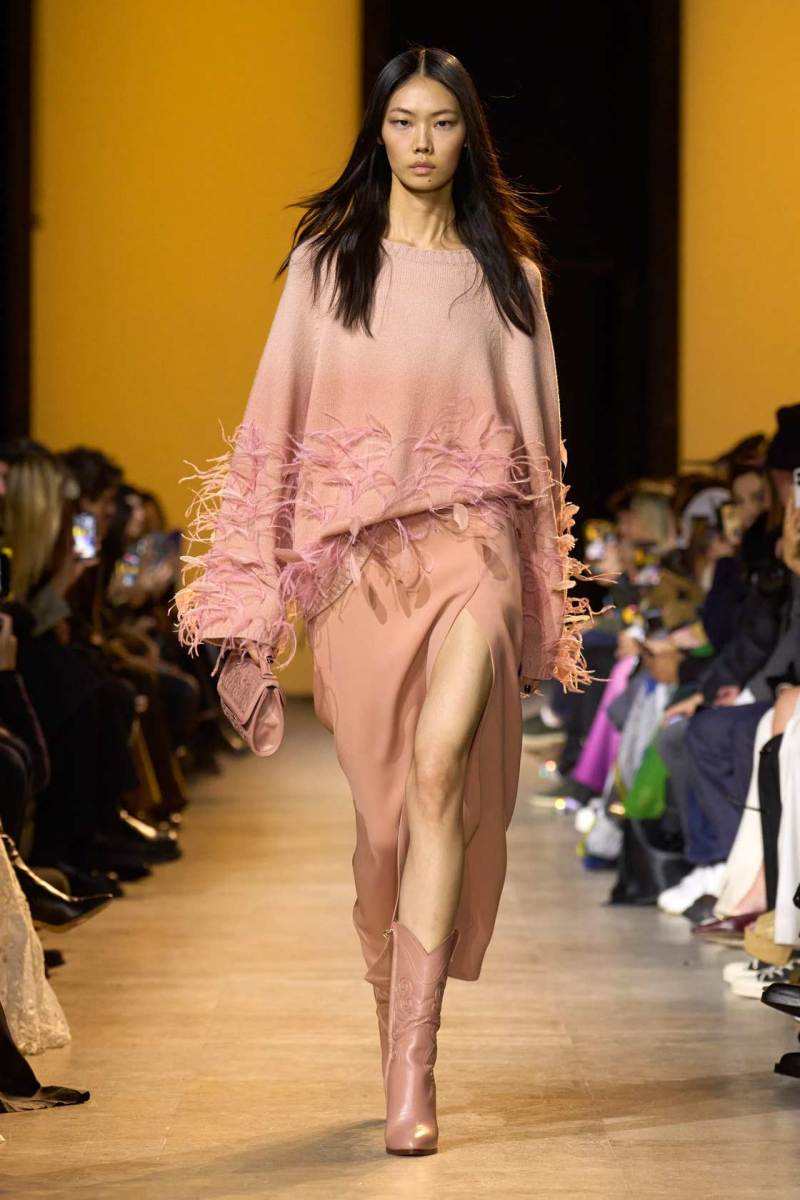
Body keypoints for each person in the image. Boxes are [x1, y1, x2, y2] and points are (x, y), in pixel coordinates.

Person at [174, 47, 598, 1156]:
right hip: (358, 571)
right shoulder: (329, 267)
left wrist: (539, 617)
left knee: (440, 769)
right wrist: (246, 613)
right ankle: (391, 1022)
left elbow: (540, 454)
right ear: (379, 132)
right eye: (403, 121)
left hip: (471, 550)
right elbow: (272, 431)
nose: (421, 142)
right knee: (382, 828)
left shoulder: (508, 278)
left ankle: (416, 1071)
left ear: (468, 136)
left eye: (441, 122)